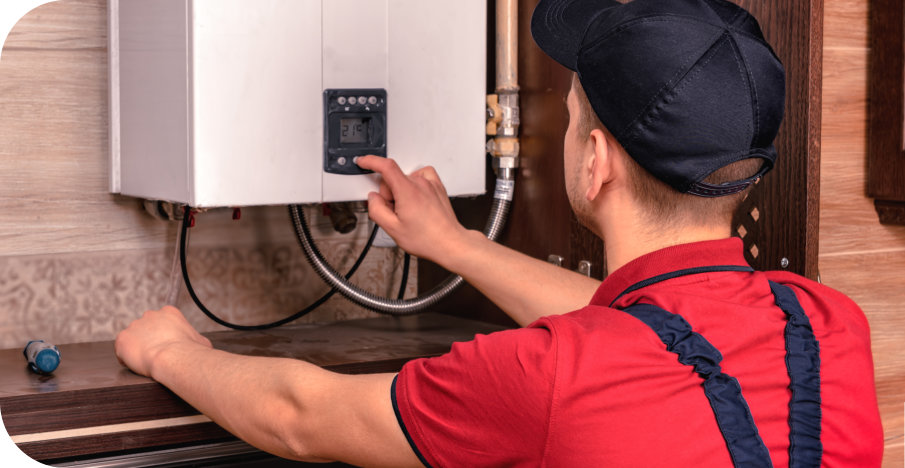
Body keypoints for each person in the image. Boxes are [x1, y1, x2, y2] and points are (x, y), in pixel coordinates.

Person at [115, 0, 884, 466]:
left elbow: (299, 416)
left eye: (573, 112)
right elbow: (650, 334)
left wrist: (170, 351)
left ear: (593, 162)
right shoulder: (823, 323)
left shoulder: (544, 379)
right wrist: (453, 245)